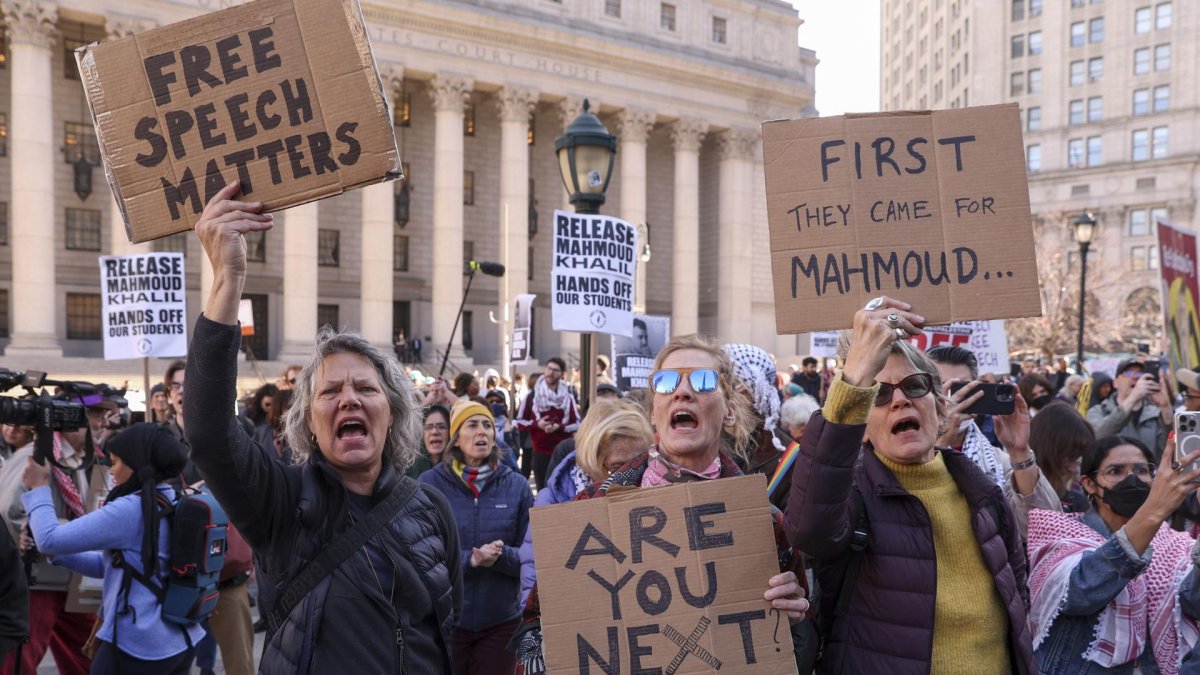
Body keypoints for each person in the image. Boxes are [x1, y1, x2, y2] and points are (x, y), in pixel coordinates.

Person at [187, 181, 462, 673]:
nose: (349, 398)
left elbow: (445, 623)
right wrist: (227, 279)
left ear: (394, 412)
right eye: (330, 392)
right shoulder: (280, 504)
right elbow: (208, 433)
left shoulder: (432, 506)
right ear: (309, 424)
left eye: (366, 388)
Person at [513, 334, 813, 673]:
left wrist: (791, 616)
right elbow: (534, 628)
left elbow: (796, 643)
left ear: (729, 410)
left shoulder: (764, 523)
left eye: (702, 381)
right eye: (667, 382)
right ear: (654, 411)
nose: (683, 391)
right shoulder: (589, 513)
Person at [787, 296, 1035, 673]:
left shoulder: (984, 494)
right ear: (863, 427)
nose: (900, 400)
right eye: (880, 394)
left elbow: (1019, 606)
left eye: (914, 385)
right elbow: (808, 530)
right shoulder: (852, 499)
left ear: (939, 410)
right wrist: (855, 378)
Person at [20, 424, 202, 673]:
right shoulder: (171, 498)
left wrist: (38, 486)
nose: (112, 472)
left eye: (115, 463)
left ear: (134, 464)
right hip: (179, 639)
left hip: (137, 645)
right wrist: (58, 555)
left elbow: (49, 538)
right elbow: (111, 566)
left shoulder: (130, 509)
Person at [1027, 435, 1200, 673]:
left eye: (1141, 470)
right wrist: (1153, 511)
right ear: (1089, 484)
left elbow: (1194, 603)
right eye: (1116, 471)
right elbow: (1081, 590)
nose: (1131, 479)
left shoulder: (1172, 542)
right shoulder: (1063, 533)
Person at [419, 401, 533, 675]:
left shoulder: (516, 486)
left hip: (501, 622)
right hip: (446, 622)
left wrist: (499, 558)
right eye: (472, 425)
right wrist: (470, 560)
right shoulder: (428, 485)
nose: (482, 432)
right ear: (456, 438)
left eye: (487, 426)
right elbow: (420, 558)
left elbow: (532, 557)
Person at [517, 400, 651, 606]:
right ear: (591, 461)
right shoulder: (552, 504)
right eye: (618, 468)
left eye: (641, 464)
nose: (631, 475)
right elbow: (534, 593)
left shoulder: (657, 490)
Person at [926, 344, 1061, 534]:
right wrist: (940, 443)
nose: (955, 400)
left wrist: (1019, 453)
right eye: (944, 389)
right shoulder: (903, 452)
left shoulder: (996, 462)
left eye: (962, 388)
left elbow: (1044, 528)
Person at [0, 422, 95, 675]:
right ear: (71, 425)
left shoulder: (83, 459)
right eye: (93, 418)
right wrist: (30, 531)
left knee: (86, 653)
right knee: (22, 657)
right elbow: (8, 511)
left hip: (71, 576)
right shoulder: (36, 455)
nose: (101, 425)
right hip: (38, 578)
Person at [515, 358, 580, 490]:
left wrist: (559, 427)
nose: (551, 373)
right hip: (540, 453)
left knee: (563, 490)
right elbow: (518, 422)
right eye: (549, 369)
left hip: (563, 453)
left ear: (561, 374)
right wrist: (537, 424)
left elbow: (578, 423)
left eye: (555, 370)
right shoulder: (532, 396)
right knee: (543, 491)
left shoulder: (568, 396)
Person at [1087, 360, 1171, 458]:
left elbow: (1169, 448)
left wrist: (1165, 407)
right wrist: (1133, 398)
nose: (1136, 377)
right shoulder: (1098, 411)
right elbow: (1097, 436)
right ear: (1115, 383)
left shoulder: (1155, 413)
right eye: (1128, 373)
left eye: (1140, 373)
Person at [1031, 402, 1096, 513]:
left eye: (1080, 458)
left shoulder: (1079, 497)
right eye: (1069, 458)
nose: (1074, 468)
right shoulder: (1024, 498)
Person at [408, 405, 451, 478]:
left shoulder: (461, 469)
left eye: (441, 426)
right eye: (429, 427)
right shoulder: (411, 468)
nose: (434, 432)